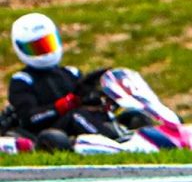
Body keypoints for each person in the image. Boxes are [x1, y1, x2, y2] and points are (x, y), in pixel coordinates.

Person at [7, 13, 117, 151]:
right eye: (37, 48)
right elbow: (30, 118)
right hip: (49, 130)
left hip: (79, 122)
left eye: (48, 44)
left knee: (119, 114)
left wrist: (101, 98)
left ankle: (131, 133)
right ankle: (114, 142)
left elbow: (85, 101)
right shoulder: (22, 80)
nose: (45, 53)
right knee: (76, 115)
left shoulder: (71, 73)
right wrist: (63, 106)